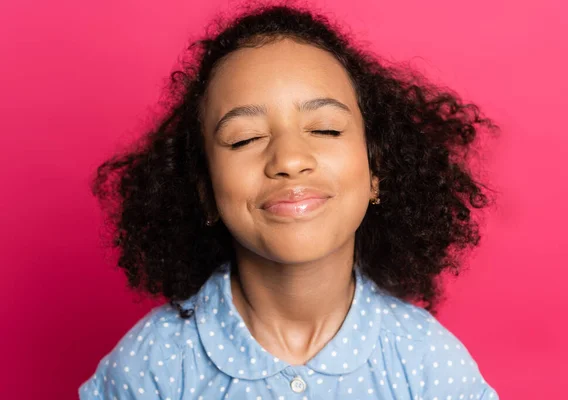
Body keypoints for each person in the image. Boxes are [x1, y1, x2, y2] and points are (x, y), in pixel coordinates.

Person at [78, 2, 500, 399]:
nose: (289, 160)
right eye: (245, 138)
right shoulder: (151, 367)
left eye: (326, 129)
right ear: (205, 192)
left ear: (376, 173)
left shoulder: (429, 364)